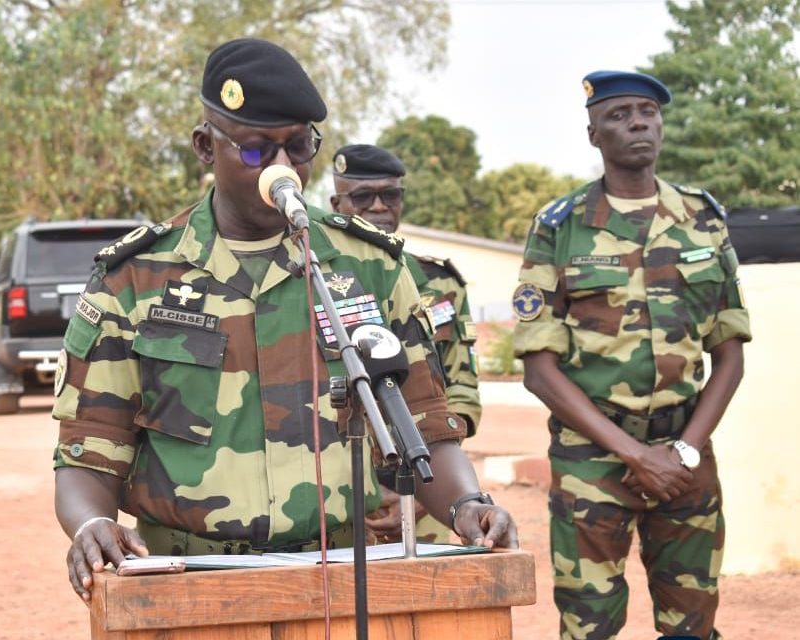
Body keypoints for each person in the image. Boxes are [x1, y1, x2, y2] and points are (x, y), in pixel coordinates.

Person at [51, 37, 517, 604]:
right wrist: (89, 524)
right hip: (190, 580)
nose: (282, 167)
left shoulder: (368, 266)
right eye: (255, 150)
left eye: (299, 147)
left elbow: (425, 429)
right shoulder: (136, 278)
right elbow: (89, 453)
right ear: (205, 146)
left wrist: (469, 503)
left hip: (345, 574)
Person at [513, 71, 751, 640]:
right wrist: (635, 455)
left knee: (693, 622)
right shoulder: (561, 228)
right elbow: (539, 369)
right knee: (589, 624)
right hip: (593, 459)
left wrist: (683, 453)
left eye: (647, 111)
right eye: (619, 115)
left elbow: (730, 355)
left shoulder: (703, 220)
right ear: (593, 133)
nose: (637, 122)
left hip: (685, 454)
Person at [329, 144, 481, 544]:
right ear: (336, 202)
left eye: (390, 195)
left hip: (428, 487)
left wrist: (425, 486)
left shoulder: (440, 281)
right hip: (338, 494)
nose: (379, 206)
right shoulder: (308, 279)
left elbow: (461, 389)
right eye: (363, 196)